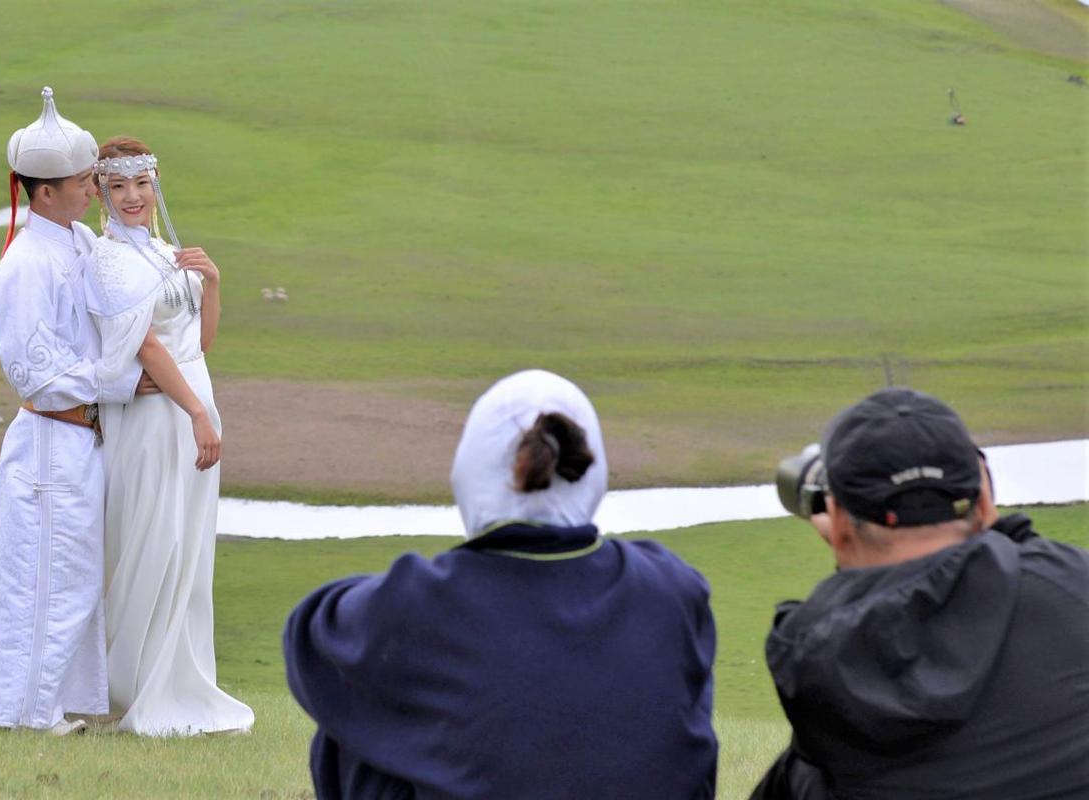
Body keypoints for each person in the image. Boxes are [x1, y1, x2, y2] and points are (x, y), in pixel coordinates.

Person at [284, 369, 718, 799]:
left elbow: (308, 639)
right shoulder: (673, 588)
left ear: (471, 472)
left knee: (359, 709)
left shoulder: (420, 601)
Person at [750, 388, 1089, 799]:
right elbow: (1029, 558)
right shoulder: (1072, 582)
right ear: (984, 502)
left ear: (836, 522)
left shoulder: (814, 657)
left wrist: (851, 550)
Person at [0, 88, 143, 735]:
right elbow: (37, 374)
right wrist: (125, 380)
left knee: (72, 576)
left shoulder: (78, 243)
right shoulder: (23, 266)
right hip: (47, 444)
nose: (94, 188)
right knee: (41, 578)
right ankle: (26, 712)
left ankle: (51, 703)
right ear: (44, 193)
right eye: (83, 181)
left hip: (82, 442)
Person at [84, 136, 253, 736]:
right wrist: (196, 414)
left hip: (192, 407)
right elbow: (148, 347)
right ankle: (129, 685)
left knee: (189, 548)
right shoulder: (110, 260)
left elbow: (199, 343)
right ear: (101, 194)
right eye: (119, 187)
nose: (133, 197)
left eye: (142, 184)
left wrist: (214, 282)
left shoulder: (162, 250)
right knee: (152, 540)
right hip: (157, 420)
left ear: (156, 185)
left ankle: (181, 679)